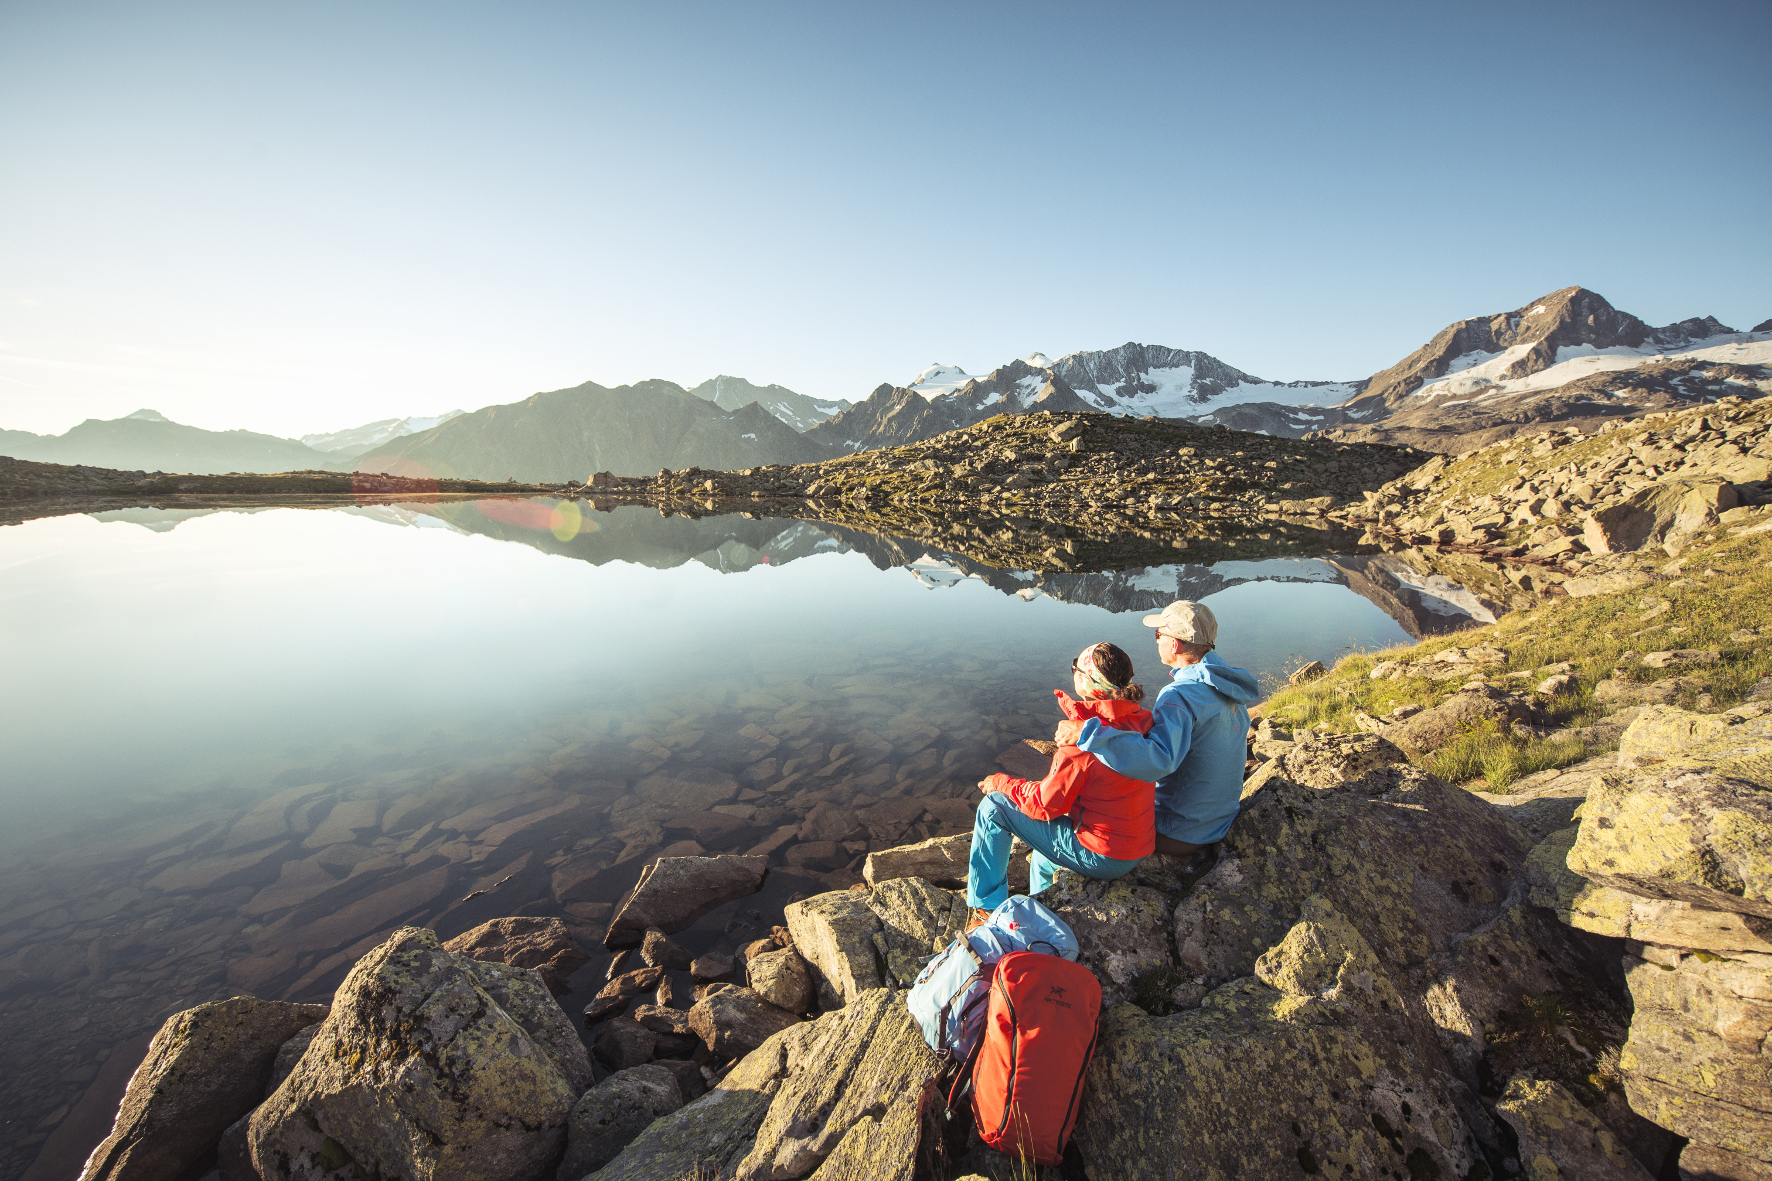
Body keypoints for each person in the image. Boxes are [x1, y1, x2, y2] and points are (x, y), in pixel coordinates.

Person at [965, 642, 1158, 921]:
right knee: (1043, 861)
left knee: (994, 807)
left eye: (1075, 667)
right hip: (1138, 845)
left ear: (1085, 679)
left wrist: (1002, 782)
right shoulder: (1141, 719)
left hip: (1104, 855)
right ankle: (1042, 910)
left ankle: (985, 908)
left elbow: (1045, 806)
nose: (1073, 672)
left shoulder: (1080, 745)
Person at [1054, 601, 1258, 859]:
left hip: (1180, 830)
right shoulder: (1227, 685)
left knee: (1082, 816)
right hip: (1218, 821)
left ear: (1174, 644)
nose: (1156, 640)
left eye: (1158, 634)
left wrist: (1087, 732)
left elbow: (1158, 761)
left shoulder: (1179, 695)